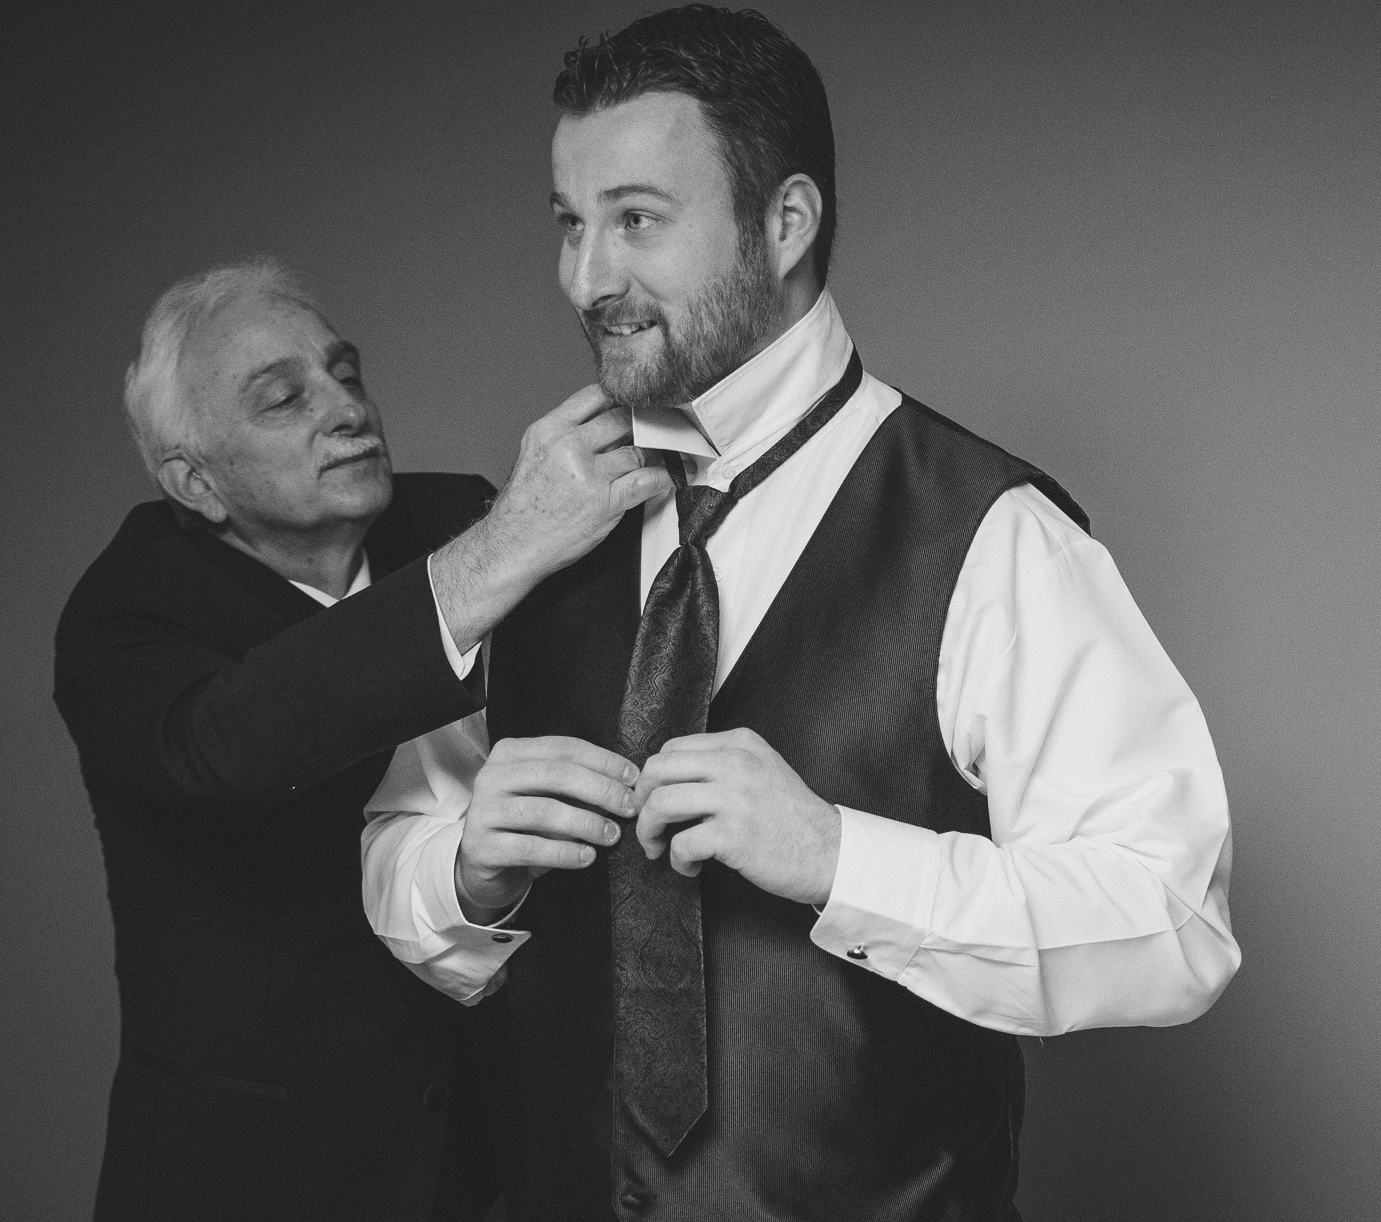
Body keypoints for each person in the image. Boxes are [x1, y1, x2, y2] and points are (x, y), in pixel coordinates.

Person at [363, 6, 1242, 1219]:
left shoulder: (988, 533)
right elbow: (396, 854)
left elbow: (1172, 922)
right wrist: (466, 871)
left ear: (784, 223)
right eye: (569, 223)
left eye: (635, 219)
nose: (585, 278)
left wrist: (838, 855)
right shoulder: (535, 524)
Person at [54, 259, 668, 1221]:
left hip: (489, 1152)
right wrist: (498, 554)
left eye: (345, 373)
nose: (345, 409)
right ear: (195, 482)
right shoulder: (125, 611)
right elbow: (229, 745)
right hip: (252, 1175)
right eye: (284, 399)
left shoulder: (455, 513)